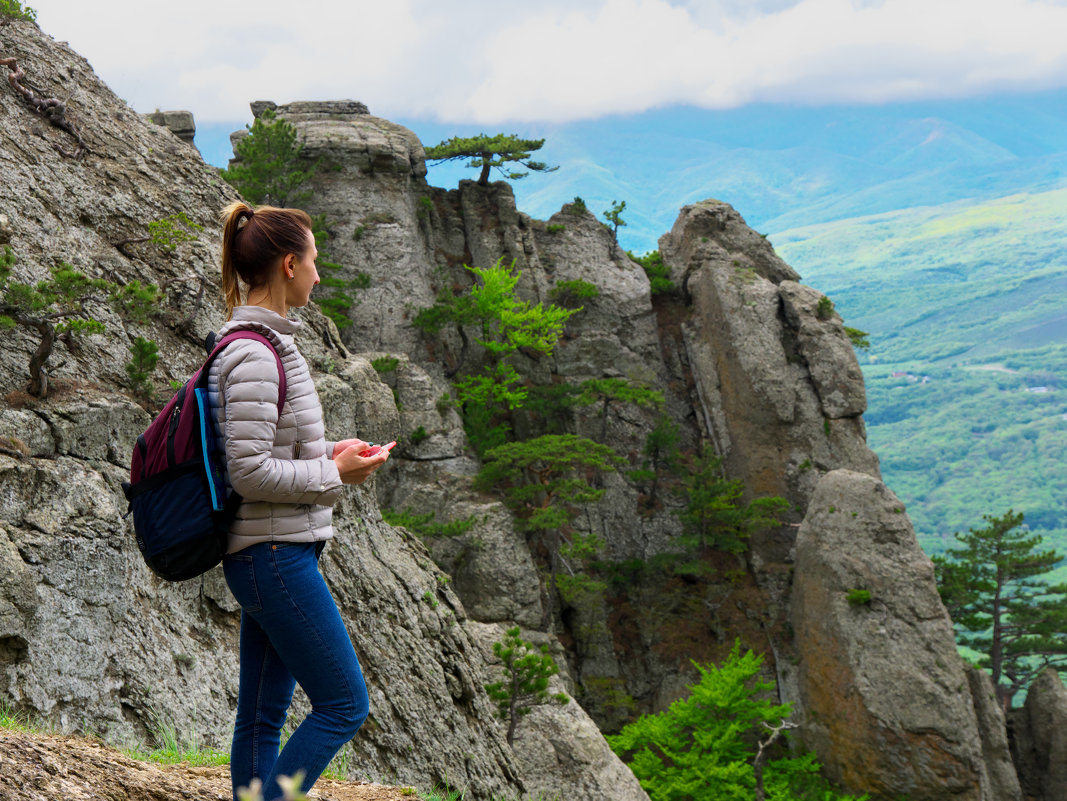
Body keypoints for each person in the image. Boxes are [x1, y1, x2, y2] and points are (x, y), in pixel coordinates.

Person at [209, 201, 387, 801]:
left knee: (261, 715)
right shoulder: (256, 352)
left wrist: (333, 451)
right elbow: (251, 472)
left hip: (271, 553)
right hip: (275, 555)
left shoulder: (266, 343)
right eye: (315, 261)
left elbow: (272, 446)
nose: (320, 274)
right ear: (289, 264)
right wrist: (334, 474)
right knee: (344, 703)